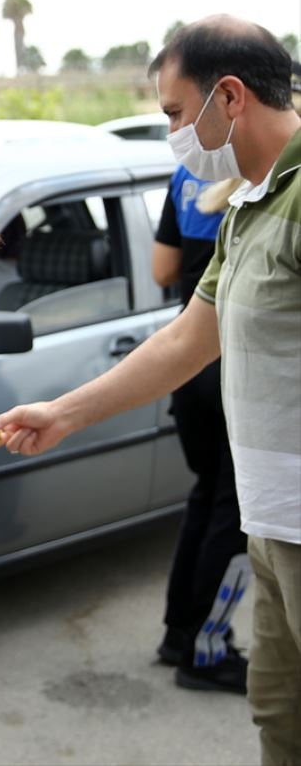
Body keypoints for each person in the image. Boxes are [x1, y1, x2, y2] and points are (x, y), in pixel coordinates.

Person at [0, 16, 300, 766]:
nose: (171, 132)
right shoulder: (251, 202)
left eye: (171, 112)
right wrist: (64, 413)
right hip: (271, 521)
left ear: (229, 97)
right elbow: (188, 339)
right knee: (280, 715)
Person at [152, 167, 251, 693]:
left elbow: (161, 269)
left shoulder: (188, 175)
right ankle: (205, 651)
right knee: (233, 516)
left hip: (188, 365)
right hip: (236, 369)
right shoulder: (272, 184)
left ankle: (179, 634)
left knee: (207, 497)